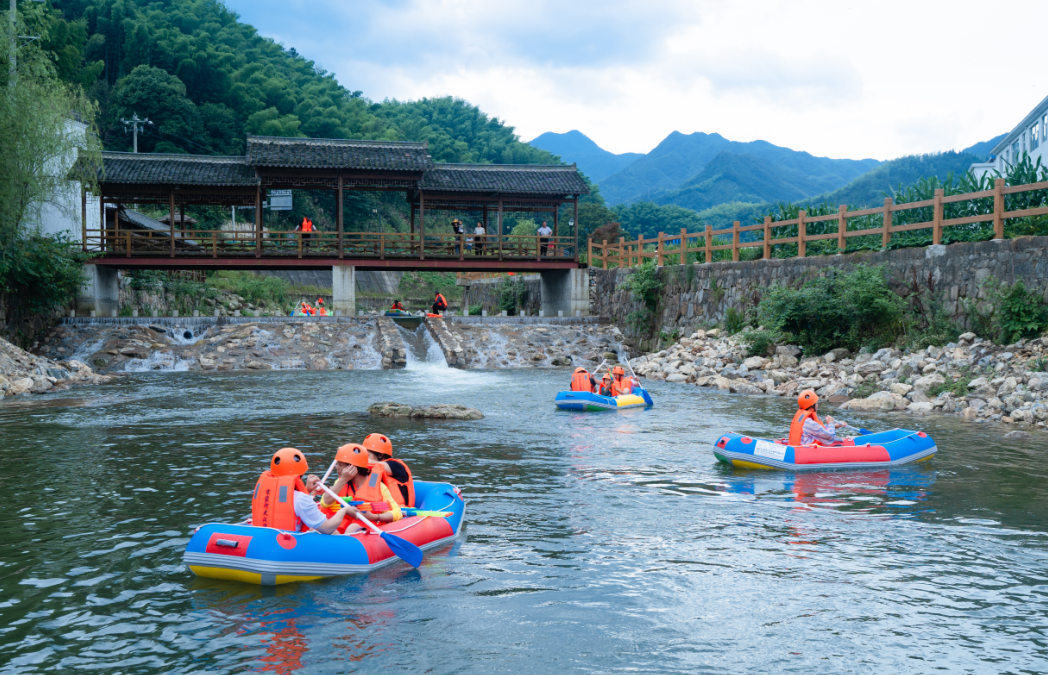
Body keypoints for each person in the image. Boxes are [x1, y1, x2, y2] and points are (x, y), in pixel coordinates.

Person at [250, 447, 357, 534]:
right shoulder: (301, 499)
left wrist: (306, 490)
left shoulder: (261, 493)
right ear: (300, 474)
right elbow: (328, 528)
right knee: (349, 528)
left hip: (263, 538)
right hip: (288, 544)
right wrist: (345, 510)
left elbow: (289, 502)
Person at [318, 443, 403, 534]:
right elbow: (324, 503)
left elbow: (397, 513)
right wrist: (342, 480)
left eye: (340, 465)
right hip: (342, 529)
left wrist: (375, 517)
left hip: (367, 528)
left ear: (352, 468)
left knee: (352, 527)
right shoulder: (340, 482)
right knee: (318, 529)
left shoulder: (379, 486)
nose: (337, 467)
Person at [361, 433, 415, 508]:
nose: (364, 457)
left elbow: (376, 465)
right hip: (380, 509)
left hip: (401, 511)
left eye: (367, 455)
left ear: (380, 455)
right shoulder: (373, 472)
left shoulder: (395, 466)